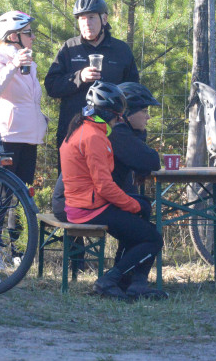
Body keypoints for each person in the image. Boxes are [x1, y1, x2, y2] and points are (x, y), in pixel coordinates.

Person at [60, 81, 164, 301]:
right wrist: (132, 204)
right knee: (153, 238)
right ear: (112, 115)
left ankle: (131, 282)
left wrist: (135, 204)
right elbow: (104, 186)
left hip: (82, 204)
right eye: (118, 116)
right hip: (89, 208)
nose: (119, 121)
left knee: (141, 213)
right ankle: (110, 280)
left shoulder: (82, 128)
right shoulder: (95, 137)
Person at [45, 0, 139, 156]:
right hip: (74, 131)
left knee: (109, 179)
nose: (86, 23)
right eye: (81, 19)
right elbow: (52, 86)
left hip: (111, 133)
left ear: (104, 19)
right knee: (73, 180)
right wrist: (79, 77)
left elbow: (134, 89)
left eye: (91, 18)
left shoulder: (121, 50)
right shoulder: (69, 48)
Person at [0, 11, 46, 187]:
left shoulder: (29, 61)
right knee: (1, 200)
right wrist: (13, 65)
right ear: (12, 36)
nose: (33, 37)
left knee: (21, 201)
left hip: (29, 138)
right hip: (6, 139)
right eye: (28, 32)